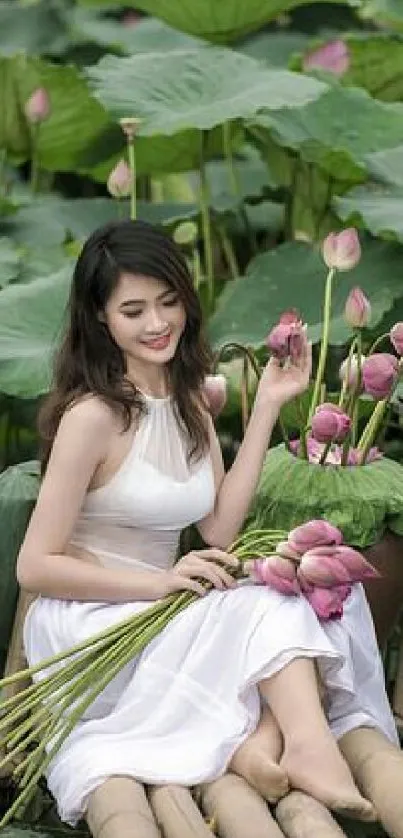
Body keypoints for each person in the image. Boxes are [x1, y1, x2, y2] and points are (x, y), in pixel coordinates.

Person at [17, 220, 397, 830]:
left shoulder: (190, 399)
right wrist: (161, 585)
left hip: (166, 607)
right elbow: (34, 567)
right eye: (133, 310)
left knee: (310, 592)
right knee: (264, 610)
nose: (157, 323)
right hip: (94, 622)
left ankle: (274, 738)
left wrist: (269, 404)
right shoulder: (92, 416)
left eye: (169, 302)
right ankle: (300, 742)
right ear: (100, 318)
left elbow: (219, 529)